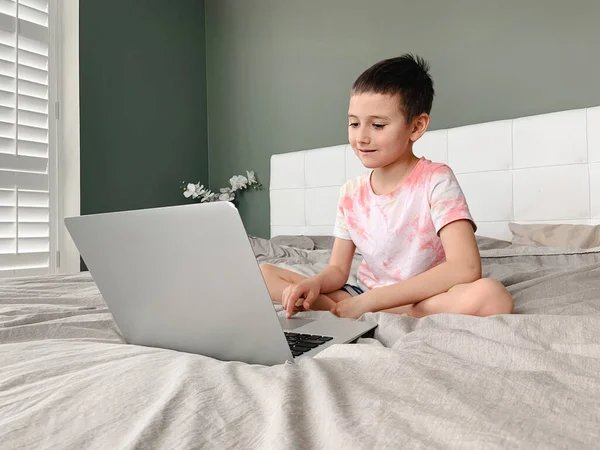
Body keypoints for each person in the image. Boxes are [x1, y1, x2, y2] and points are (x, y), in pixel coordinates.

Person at [260, 54, 514, 320]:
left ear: (416, 127)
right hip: (360, 292)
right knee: (265, 274)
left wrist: (370, 302)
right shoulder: (351, 192)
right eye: (354, 123)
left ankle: (367, 310)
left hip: (424, 296)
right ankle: (351, 307)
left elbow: (465, 267)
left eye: (378, 125)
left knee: (491, 296)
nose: (362, 137)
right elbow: (337, 270)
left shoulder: (436, 180)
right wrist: (314, 285)